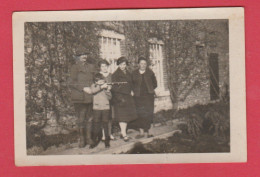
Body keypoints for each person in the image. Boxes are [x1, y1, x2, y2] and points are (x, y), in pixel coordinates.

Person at [68, 51, 95, 148]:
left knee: (90, 119)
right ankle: (82, 140)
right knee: (81, 119)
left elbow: (94, 79)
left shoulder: (91, 66)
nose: (84, 56)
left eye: (85, 54)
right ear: (78, 56)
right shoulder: (74, 67)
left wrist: (93, 86)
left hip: (89, 96)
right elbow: (71, 82)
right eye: (81, 55)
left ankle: (89, 139)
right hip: (80, 97)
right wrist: (83, 88)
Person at [111, 57, 137, 142]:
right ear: (118, 64)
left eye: (124, 64)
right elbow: (114, 88)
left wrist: (132, 90)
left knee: (126, 116)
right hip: (120, 98)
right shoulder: (115, 75)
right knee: (122, 117)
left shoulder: (128, 73)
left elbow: (131, 83)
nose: (123, 66)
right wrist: (120, 98)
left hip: (128, 97)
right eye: (121, 64)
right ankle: (124, 134)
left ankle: (123, 133)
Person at [131, 56, 157, 138]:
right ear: (138, 64)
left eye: (144, 64)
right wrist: (133, 91)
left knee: (148, 113)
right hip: (138, 97)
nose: (143, 65)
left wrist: (150, 89)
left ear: (146, 65)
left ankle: (147, 132)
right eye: (141, 63)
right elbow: (131, 84)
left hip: (148, 97)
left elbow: (155, 84)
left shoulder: (150, 73)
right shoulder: (134, 73)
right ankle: (141, 132)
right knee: (139, 113)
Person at [90, 73, 112, 148]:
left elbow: (110, 98)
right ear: (95, 82)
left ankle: (107, 141)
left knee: (105, 125)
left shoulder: (105, 87)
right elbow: (93, 91)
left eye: (101, 81)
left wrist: (108, 90)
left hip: (105, 108)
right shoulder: (93, 86)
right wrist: (101, 87)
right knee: (96, 125)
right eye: (98, 81)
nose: (100, 82)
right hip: (97, 108)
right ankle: (93, 142)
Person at [98, 60, 115, 141]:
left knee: (110, 117)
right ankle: (104, 135)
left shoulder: (111, 75)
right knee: (103, 117)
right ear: (100, 67)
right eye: (102, 66)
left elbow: (114, 85)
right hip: (101, 98)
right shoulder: (98, 76)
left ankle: (110, 133)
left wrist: (111, 88)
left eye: (105, 66)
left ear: (108, 67)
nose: (104, 68)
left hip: (110, 98)